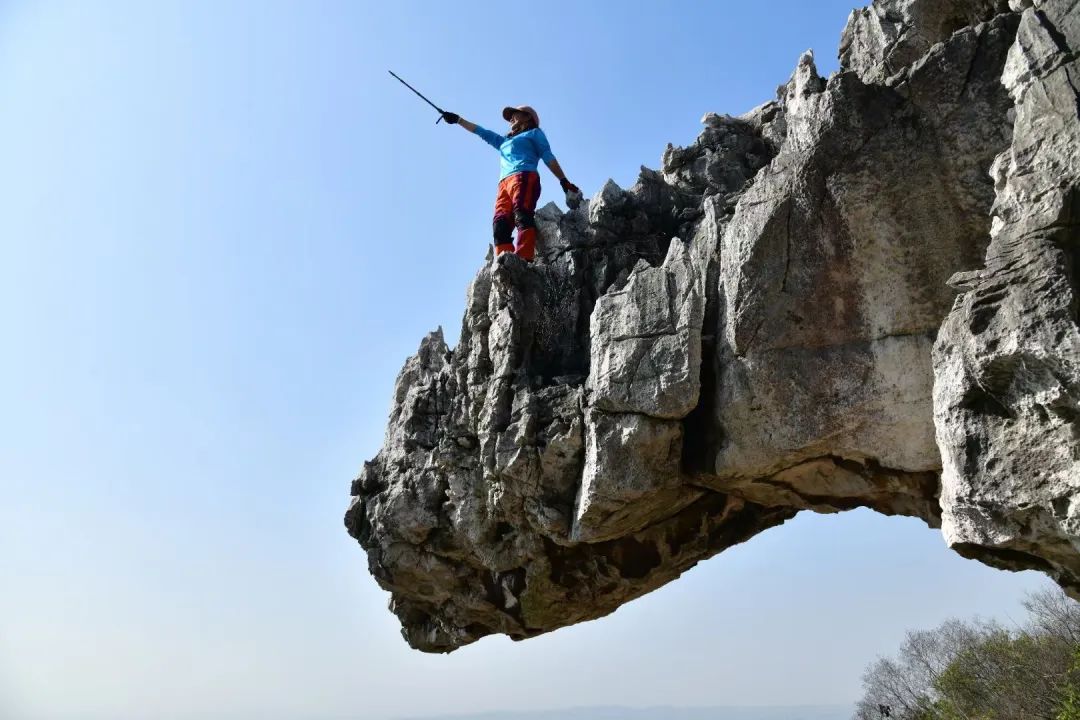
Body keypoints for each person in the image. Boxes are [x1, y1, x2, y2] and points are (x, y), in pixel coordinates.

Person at [440, 105, 579, 262]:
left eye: (515, 114)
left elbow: (548, 156)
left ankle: (525, 259)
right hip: (503, 185)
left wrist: (563, 180)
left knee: (522, 213)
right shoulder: (503, 142)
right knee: (500, 225)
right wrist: (458, 120)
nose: (511, 118)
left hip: (524, 176)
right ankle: (505, 263)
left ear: (528, 117)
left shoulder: (535, 133)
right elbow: (481, 132)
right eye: (510, 116)